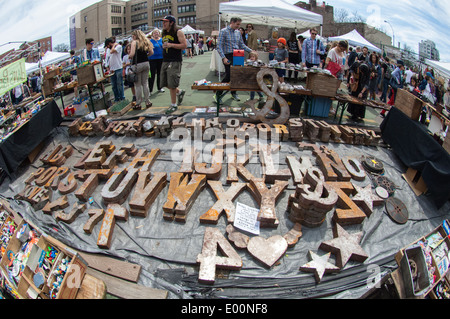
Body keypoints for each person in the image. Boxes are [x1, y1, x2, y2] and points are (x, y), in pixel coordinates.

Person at [215, 17, 255, 103]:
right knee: (229, 75)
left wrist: (251, 51)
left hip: (238, 54)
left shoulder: (238, 33)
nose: (239, 26)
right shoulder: (223, 31)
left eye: (239, 24)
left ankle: (234, 93)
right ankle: (218, 94)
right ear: (232, 22)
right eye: (237, 24)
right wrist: (223, 57)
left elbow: (242, 45)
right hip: (228, 55)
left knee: (237, 75)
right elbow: (219, 46)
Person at [160, 15, 187, 114]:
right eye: (163, 22)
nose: (163, 23)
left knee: (171, 84)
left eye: (165, 22)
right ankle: (179, 92)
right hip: (165, 60)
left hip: (175, 61)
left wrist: (171, 45)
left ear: (171, 23)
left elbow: (184, 45)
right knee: (163, 83)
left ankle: (173, 105)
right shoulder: (164, 33)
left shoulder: (178, 32)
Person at [129, 29, 154, 110]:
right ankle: (148, 101)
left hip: (137, 64)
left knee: (138, 85)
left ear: (135, 35)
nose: (132, 37)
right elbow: (151, 52)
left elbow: (132, 54)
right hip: (146, 63)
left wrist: (129, 56)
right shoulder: (146, 41)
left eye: (133, 36)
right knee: (145, 83)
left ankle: (138, 103)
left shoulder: (134, 42)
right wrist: (146, 56)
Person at [104, 38, 125, 103]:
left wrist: (113, 45)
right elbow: (107, 58)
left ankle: (122, 97)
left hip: (118, 67)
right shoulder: (107, 50)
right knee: (113, 85)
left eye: (107, 45)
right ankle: (116, 98)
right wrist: (107, 67)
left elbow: (112, 51)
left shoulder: (118, 46)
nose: (107, 47)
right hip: (112, 69)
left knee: (119, 84)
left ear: (110, 43)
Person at [148, 29, 164, 96]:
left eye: (157, 33)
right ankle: (150, 90)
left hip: (161, 58)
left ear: (159, 33)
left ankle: (160, 87)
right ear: (152, 34)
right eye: (154, 33)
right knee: (152, 74)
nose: (156, 34)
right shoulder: (150, 41)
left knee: (160, 74)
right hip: (152, 59)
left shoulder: (162, 40)